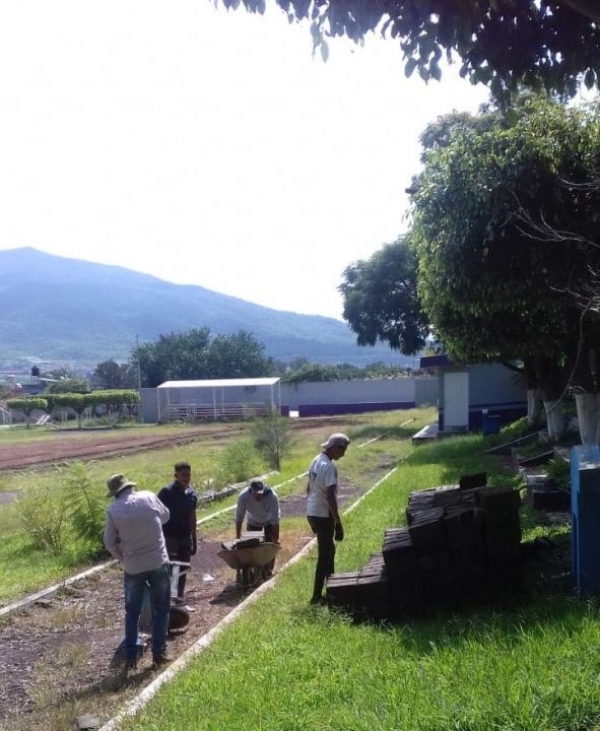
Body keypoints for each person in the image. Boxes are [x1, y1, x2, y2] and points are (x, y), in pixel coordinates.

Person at [103, 473, 171, 670]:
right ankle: (159, 654)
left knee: (132, 612)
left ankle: (131, 657)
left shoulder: (113, 509)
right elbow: (165, 517)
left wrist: (122, 558)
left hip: (133, 566)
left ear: (115, 493)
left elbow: (108, 541)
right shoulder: (149, 496)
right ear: (130, 487)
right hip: (158, 561)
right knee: (161, 608)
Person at [306, 433, 350, 605]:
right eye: (343, 450)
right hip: (323, 515)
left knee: (329, 550)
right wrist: (338, 522)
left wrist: (312, 509)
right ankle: (316, 596)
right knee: (324, 555)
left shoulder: (316, 460)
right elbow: (331, 497)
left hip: (313, 513)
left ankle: (332, 588)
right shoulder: (329, 467)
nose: (344, 454)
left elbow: (308, 488)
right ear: (334, 448)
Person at [157, 462, 198, 602]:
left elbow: (192, 517)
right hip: (170, 538)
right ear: (176, 475)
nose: (186, 477)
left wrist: (194, 538)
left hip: (185, 537)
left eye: (188, 474)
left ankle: (179, 599)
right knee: (172, 569)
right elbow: (156, 514)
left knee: (183, 569)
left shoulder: (191, 493)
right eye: (183, 475)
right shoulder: (166, 492)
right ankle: (168, 601)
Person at [235, 479, 280, 544]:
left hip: (269, 521)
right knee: (252, 544)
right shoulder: (243, 497)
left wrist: (275, 538)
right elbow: (239, 517)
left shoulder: (272, 497)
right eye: (255, 493)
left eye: (260, 493)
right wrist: (238, 537)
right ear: (251, 490)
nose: (258, 496)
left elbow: (275, 519)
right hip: (253, 521)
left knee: (269, 544)